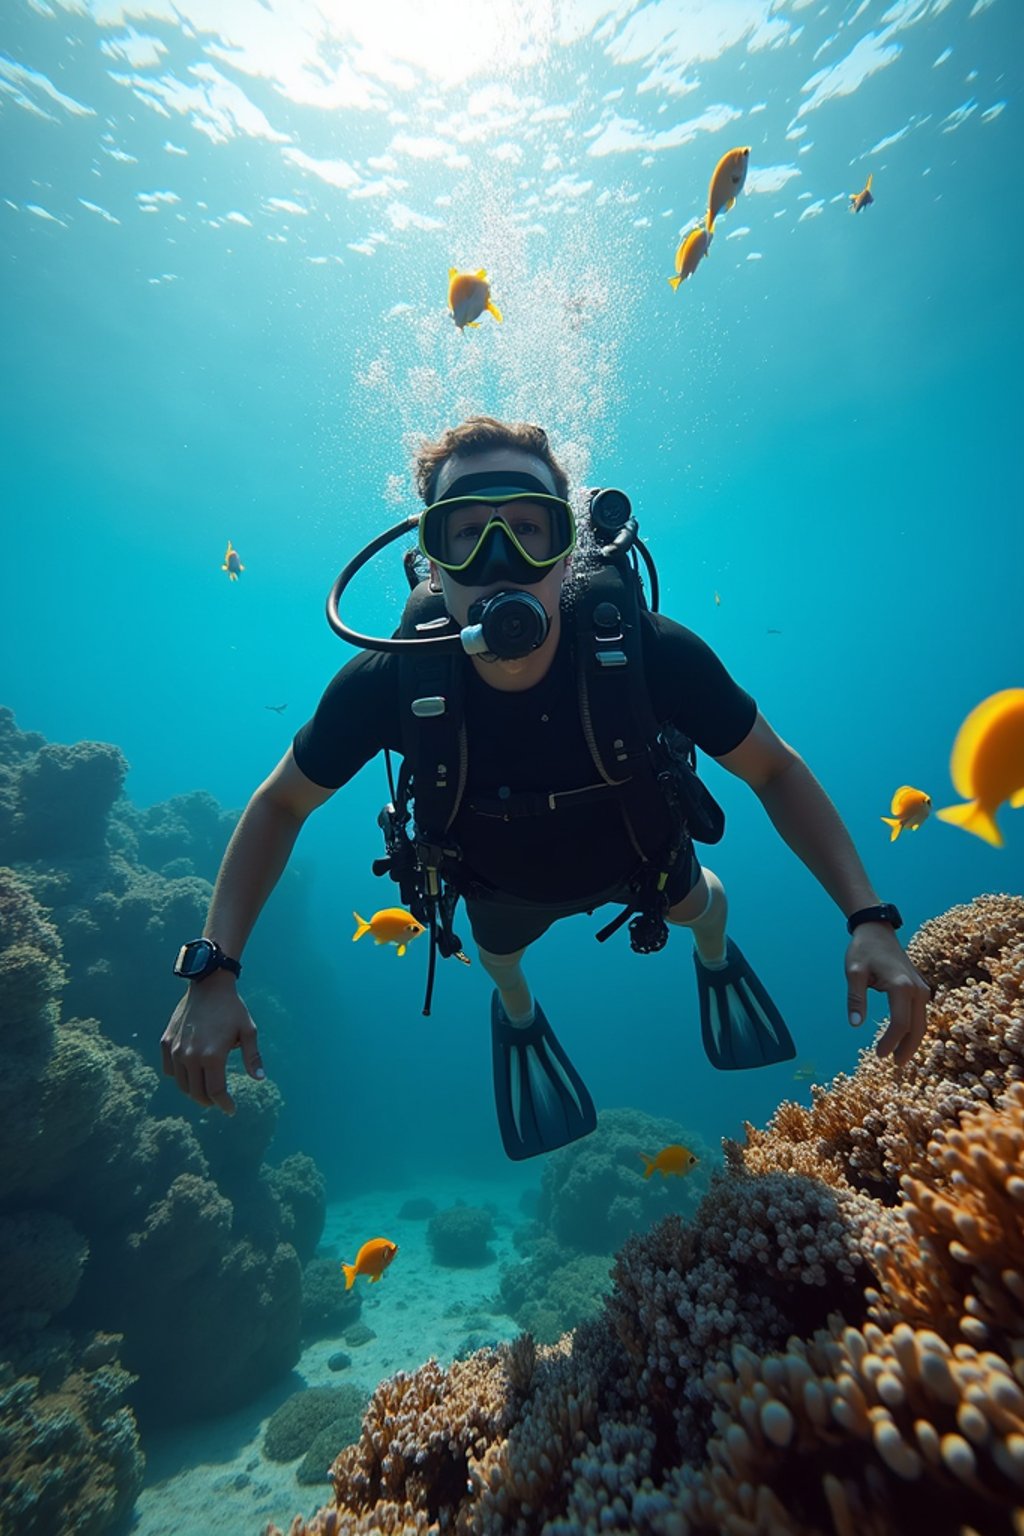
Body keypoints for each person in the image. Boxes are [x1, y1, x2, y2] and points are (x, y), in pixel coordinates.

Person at [162, 417, 930, 1158]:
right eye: (466, 533)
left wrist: (868, 916)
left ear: (571, 550)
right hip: (498, 889)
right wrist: (214, 965)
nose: (499, 560)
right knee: (501, 963)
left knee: (705, 908)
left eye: (530, 529)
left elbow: (775, 768)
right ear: (432, 562)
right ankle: (521, 1014)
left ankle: (712, 952)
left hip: (647, 862)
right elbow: (280, 802)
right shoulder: (393, 680)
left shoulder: (652, 653)